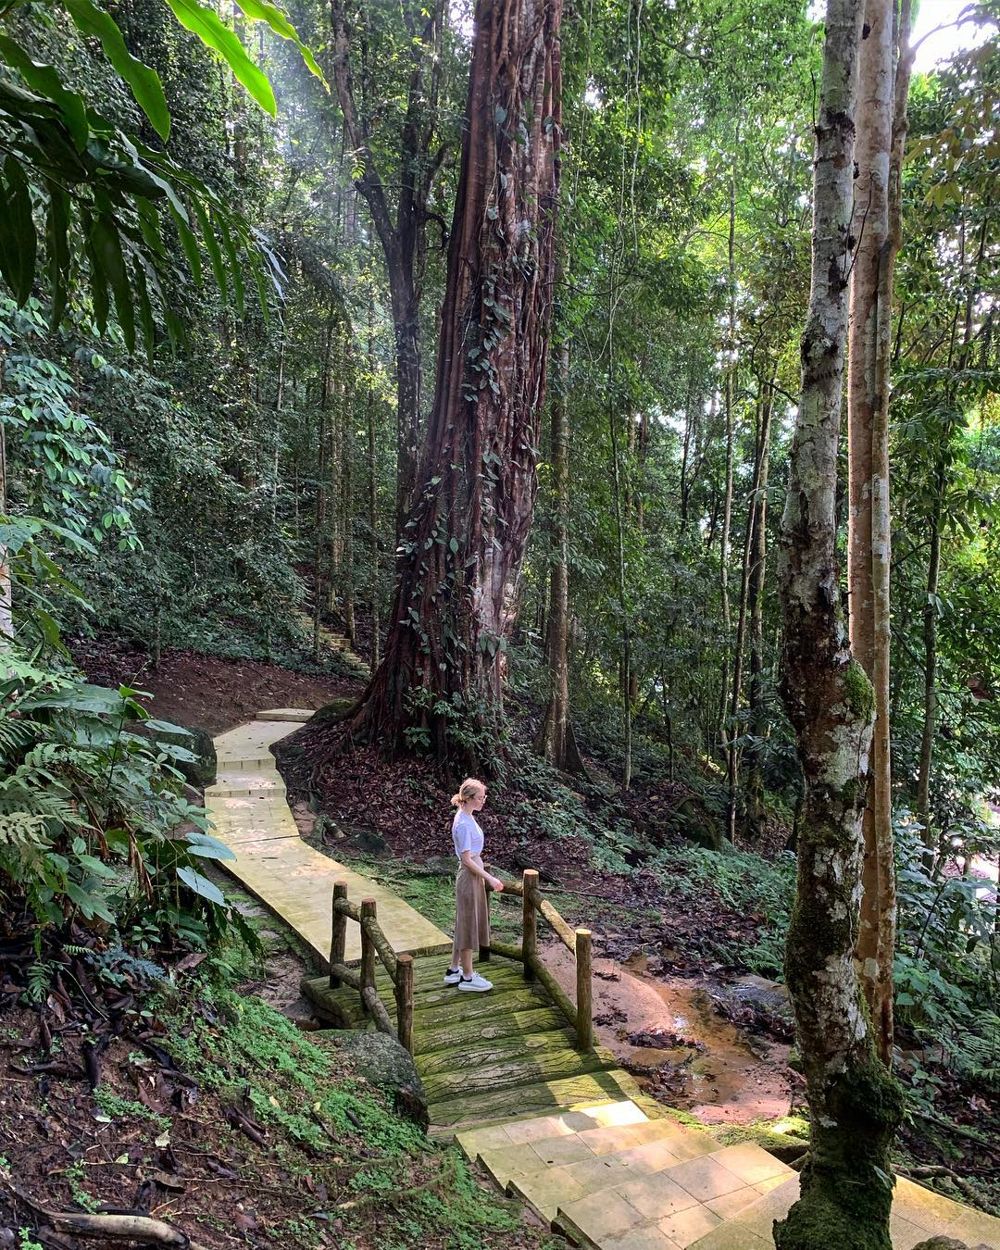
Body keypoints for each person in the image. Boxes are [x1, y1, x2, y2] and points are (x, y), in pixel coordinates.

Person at [443, 778, 504, 992]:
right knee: (467, 925)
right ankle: (467, 977)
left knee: (464, 922)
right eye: (480, 798)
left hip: (472, 875)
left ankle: (453, 970)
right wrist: (490, 878)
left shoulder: (467, 816)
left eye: (484, 797)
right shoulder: (462, 823)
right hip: (470, 877)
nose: (483, 801)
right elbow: (467, 859)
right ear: (468, 799)